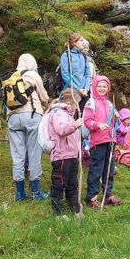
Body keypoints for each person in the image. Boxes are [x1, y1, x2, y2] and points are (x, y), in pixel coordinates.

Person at [6, 53, 50, 202]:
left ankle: (19, 193)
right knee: (34, 154)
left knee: (17, 155)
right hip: (32, 116)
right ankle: (36, 193)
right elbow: (44, 97)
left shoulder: (12, 77)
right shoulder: (32, 75)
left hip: (13, 118)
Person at [83, 75, 121, 208]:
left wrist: (116, 117)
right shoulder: (91, 103)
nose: (102, 88)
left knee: (109, 169)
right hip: (97, 141)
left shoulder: (110, 104)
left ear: (108, 88)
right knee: (96, 169)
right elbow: (87, 121)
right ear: (94, 87)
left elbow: (116, 122)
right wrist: (97, 125)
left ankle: (108, 195)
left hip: (110, 140)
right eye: (99, 86)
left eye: (104, 86)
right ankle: (91, 198)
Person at [48, 89, 83, 218]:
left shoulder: (68, 114)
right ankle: (58, 212)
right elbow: (61, 130)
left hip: (72, 155)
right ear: (70, 102)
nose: (78, 106)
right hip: (61, 155)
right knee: (59, 183)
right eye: (77, 103)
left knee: (72, 184)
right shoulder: (58, 113)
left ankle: (75, 208)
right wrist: (75, 125)